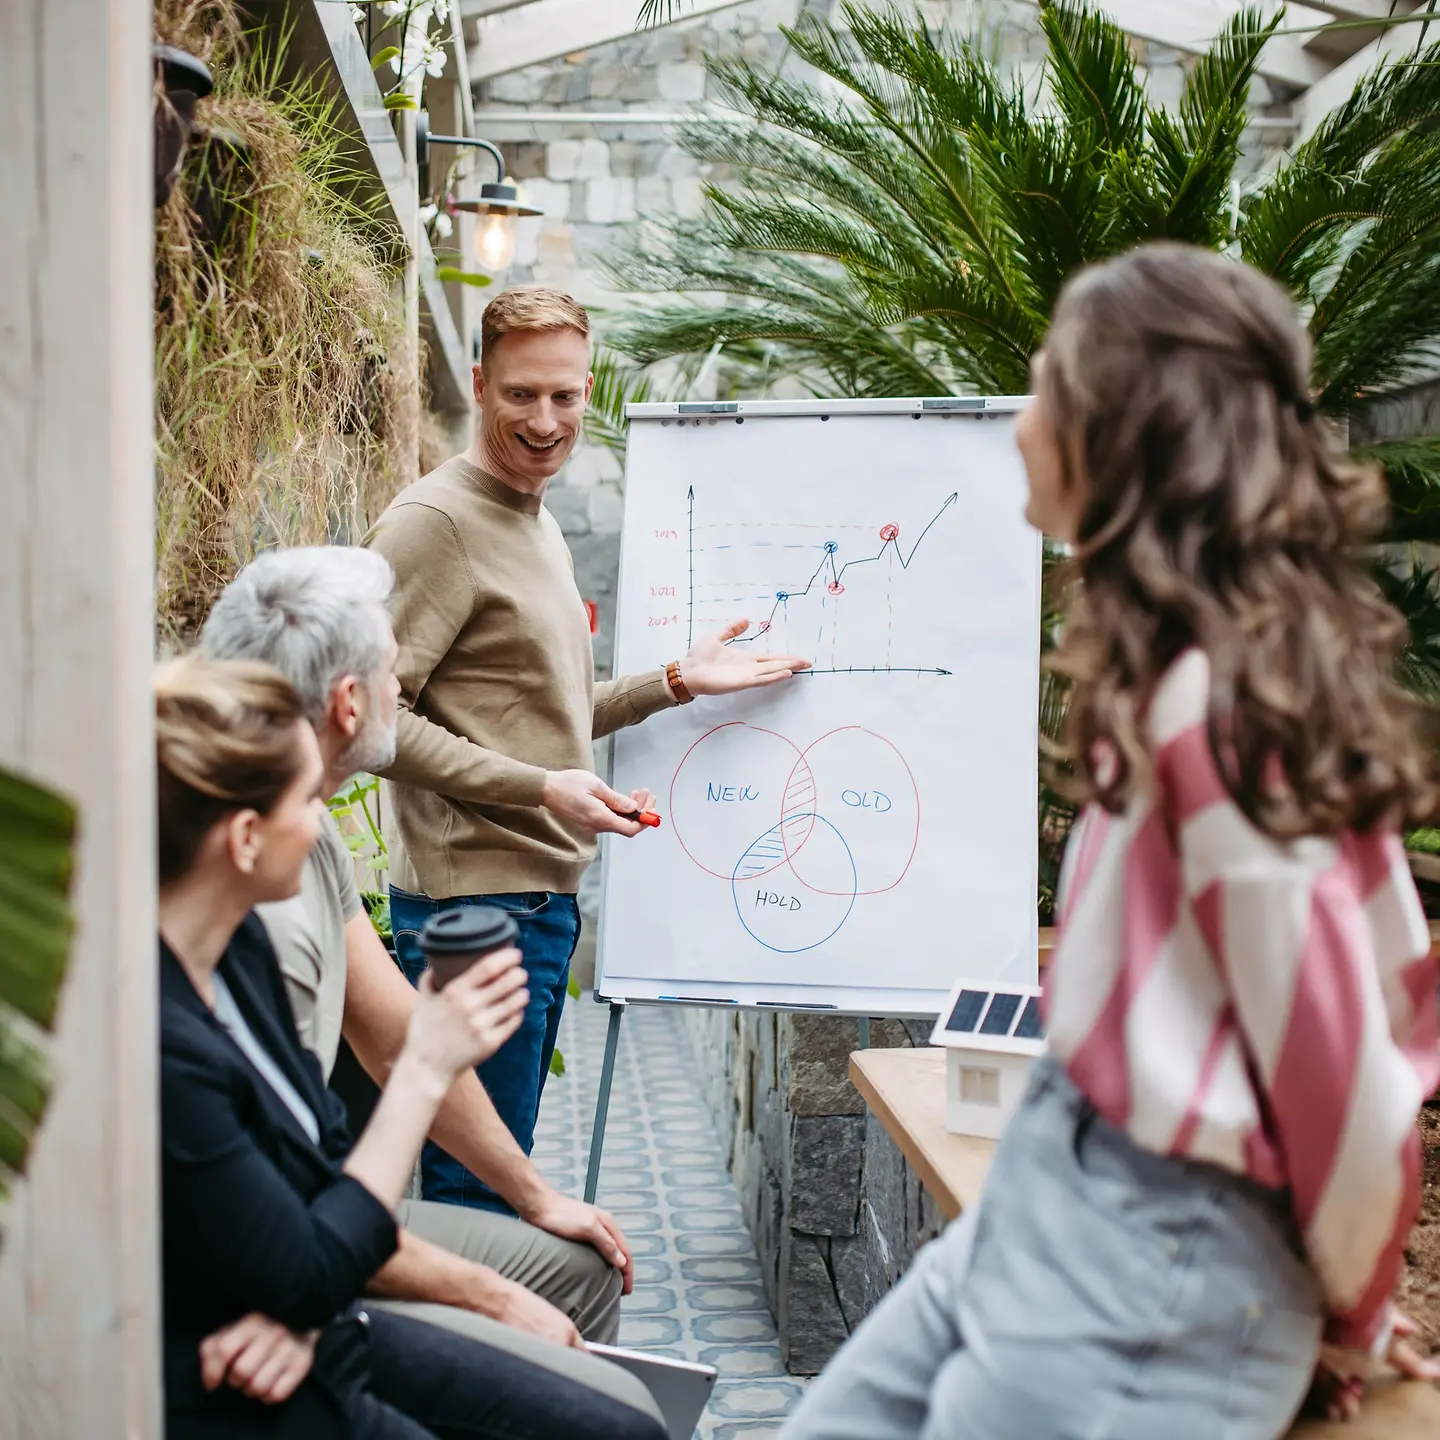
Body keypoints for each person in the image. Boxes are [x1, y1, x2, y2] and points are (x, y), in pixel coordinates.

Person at [782, 243, 1440, 1440]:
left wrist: (1351, 1314)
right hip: (1055, 1182)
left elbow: (1344, 1085)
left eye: (1049, 383)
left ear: (1122, 426)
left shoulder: (1218, 715)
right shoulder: (1180, 684)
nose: (1024, 416)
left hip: (1152, 1260)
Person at [365, 284, 811, 1209]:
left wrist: (677, 681)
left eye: (565, 396)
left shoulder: (533, 517)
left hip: (526, 906)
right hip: (474, 917)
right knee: (476, 1197)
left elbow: (540, 709)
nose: (545, 418)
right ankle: (463, 1355)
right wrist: (541, 791)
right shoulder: (437, 523)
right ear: (481, 385)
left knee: (489, 1180)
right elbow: (372, 721)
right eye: (522, 394)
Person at [157, 654, 667, 1440]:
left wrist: (303, 1298)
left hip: (307, 1310)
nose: (322, 816)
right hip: (251, 1363)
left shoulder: (236, 954)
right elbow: (297, 1253)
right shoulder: (164, 1042)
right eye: (306, 799)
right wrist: (427, 1065)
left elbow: (314, 1165)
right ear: (247, 839)